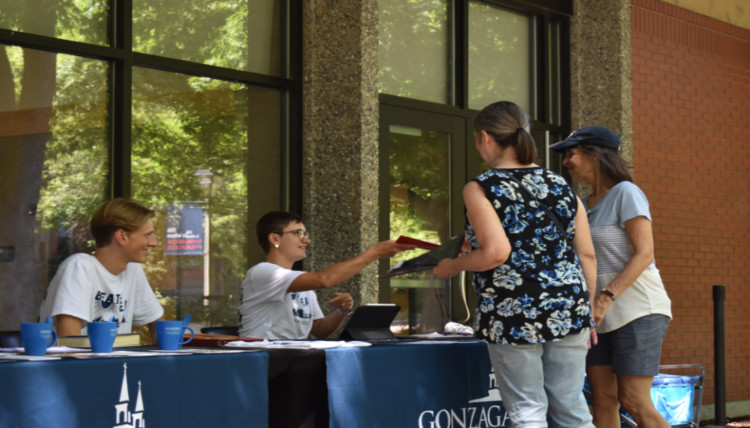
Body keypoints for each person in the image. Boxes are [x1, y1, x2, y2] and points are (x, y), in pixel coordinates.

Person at [433, 101, 598, 428]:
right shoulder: (562, 186)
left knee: (528, 411)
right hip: (569, 308)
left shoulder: (481, 187)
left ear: (484, 137)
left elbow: (496, 253)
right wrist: (587, 312)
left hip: (513, 311)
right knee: (572, 408)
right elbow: (587, 255)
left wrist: (455, 265)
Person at [550, 126, 672, 428]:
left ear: (594, 155)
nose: (566, 161)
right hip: (597, 315)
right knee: (603, 399)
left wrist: (606, 296)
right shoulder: (581, 204)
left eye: (571, 154)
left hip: (638, 309)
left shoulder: (626, 193)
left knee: (633, 399)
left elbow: (645, 253)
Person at [238, 211, 415, 340]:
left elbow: (320, 329)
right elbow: (324, 280)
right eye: (298, 233)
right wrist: (375, 252)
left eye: (305, 234)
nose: (306, 240)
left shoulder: (300, 281)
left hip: (290, 359)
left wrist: (341, 311)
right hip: (261, 358)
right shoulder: (262, 272)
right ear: (274, 239)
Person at [38, 198, 164, 337]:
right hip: (80, 359)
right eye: (147, 235)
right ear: (122, 237)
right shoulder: (79, 266)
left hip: (116, 359)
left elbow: (160, 327)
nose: (154, 243)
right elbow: (69, 342)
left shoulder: (132, 269)